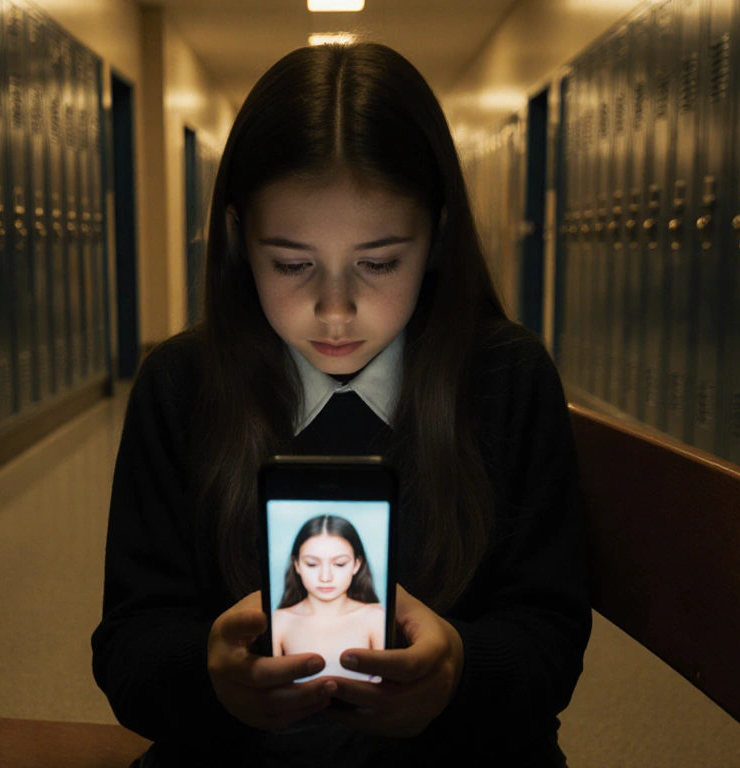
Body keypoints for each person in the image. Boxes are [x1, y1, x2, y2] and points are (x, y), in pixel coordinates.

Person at [92, 41, 592, 767]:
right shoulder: (181, 385)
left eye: (380, 262)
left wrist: (458, 668)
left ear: (439, 236)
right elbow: (130, 646)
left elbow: (549, 641)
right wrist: (211, 675)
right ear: (238, 239)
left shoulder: (507, 380)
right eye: (292, 264)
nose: (335, 310)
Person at [272, 515, 386, 683]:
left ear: (356, 564)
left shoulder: (376, 617)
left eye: (339, 564)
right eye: (312, 564)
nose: (325, 577)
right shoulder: (279, 621)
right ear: (296, 564)